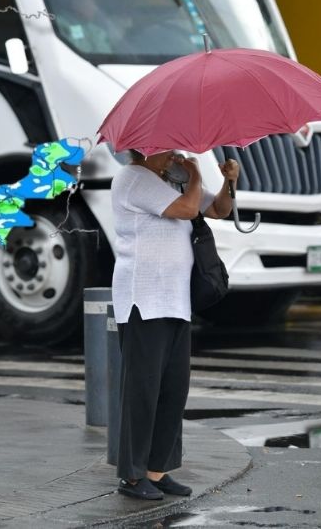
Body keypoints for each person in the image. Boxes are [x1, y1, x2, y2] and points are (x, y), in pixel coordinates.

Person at [110, 149, 240, 500]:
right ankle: (133, 476)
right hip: (144, 299)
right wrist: (196, 176)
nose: (173, 155)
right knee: (143, 390)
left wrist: (228, 181)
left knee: (173, 389)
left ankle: (157, 470)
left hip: (175, 299)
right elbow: (186, 209)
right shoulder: (133, 178)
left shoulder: (170, 180)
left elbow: (218, 210)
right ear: (146, 149)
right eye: (166, 149)